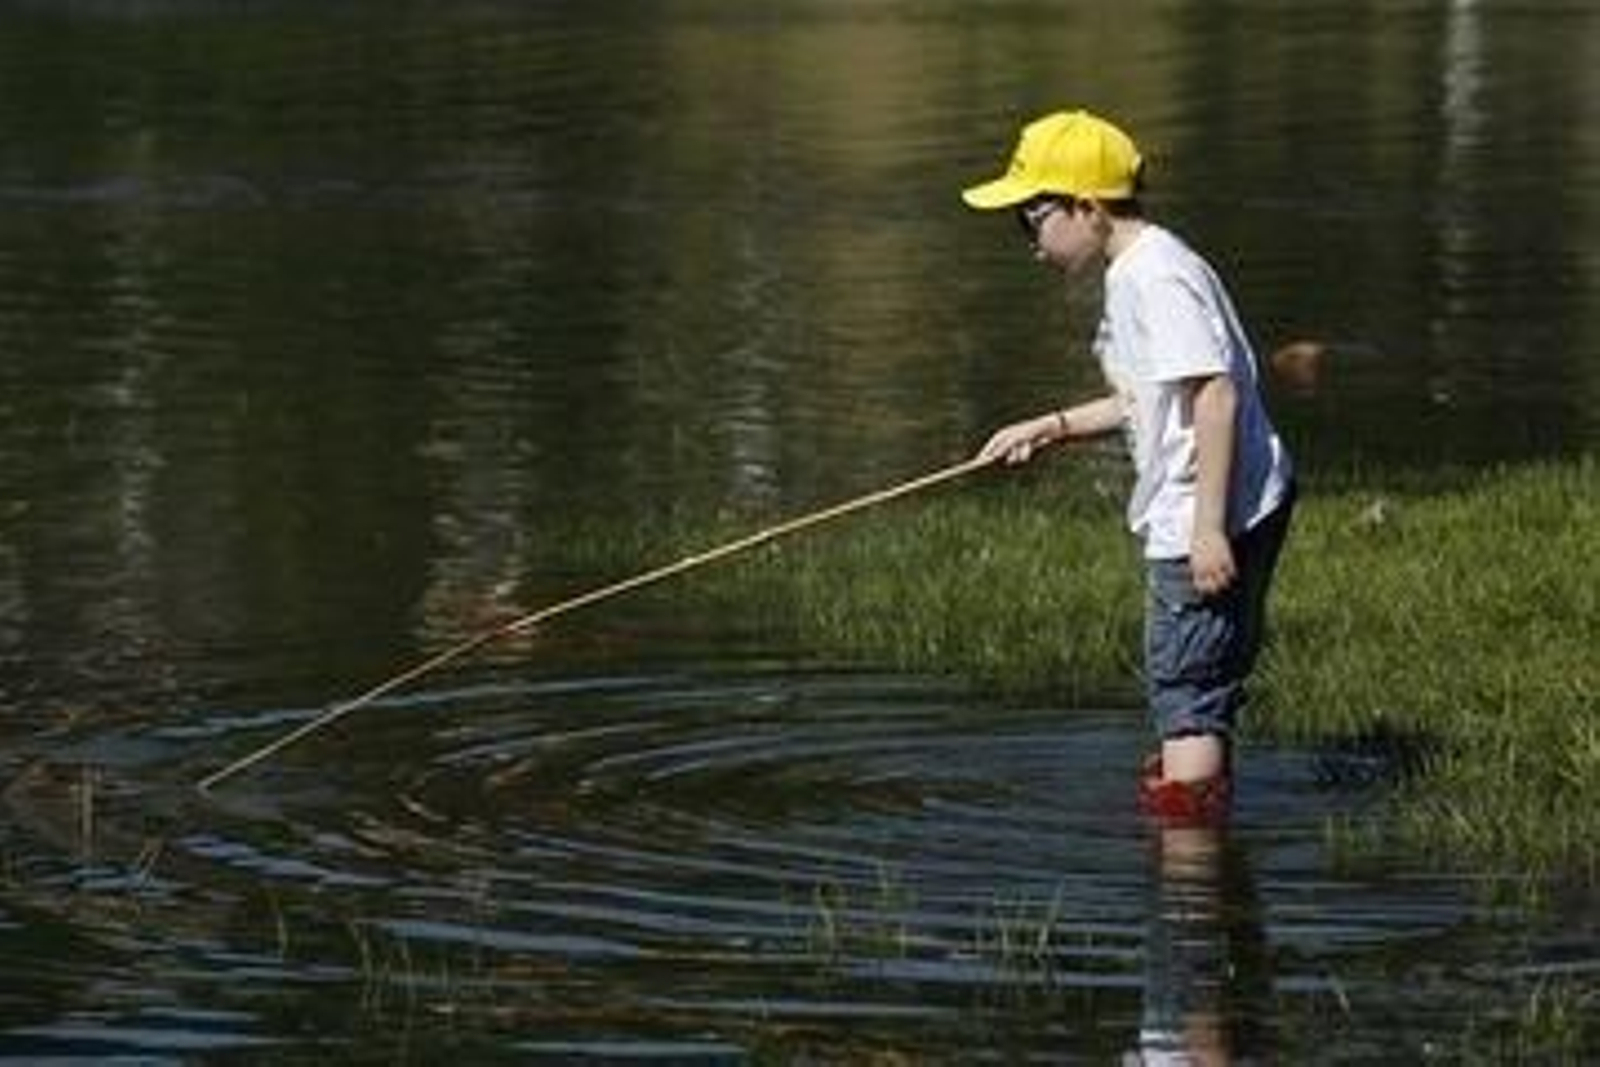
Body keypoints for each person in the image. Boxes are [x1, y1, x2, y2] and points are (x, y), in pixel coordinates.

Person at [962, 109, 1295, 824]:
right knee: (1201, 688)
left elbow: (1215, 394)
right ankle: (1205, 839)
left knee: (1186, 696)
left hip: (1203, 513)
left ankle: (1192, 879)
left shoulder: (1153, 280)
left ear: (1086, 206)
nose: (1029, 242)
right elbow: (1150, 399)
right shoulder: (1142, 267)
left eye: (1031, 217)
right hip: (1242, 496)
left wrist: (1206, 529)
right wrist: (1051, 426)